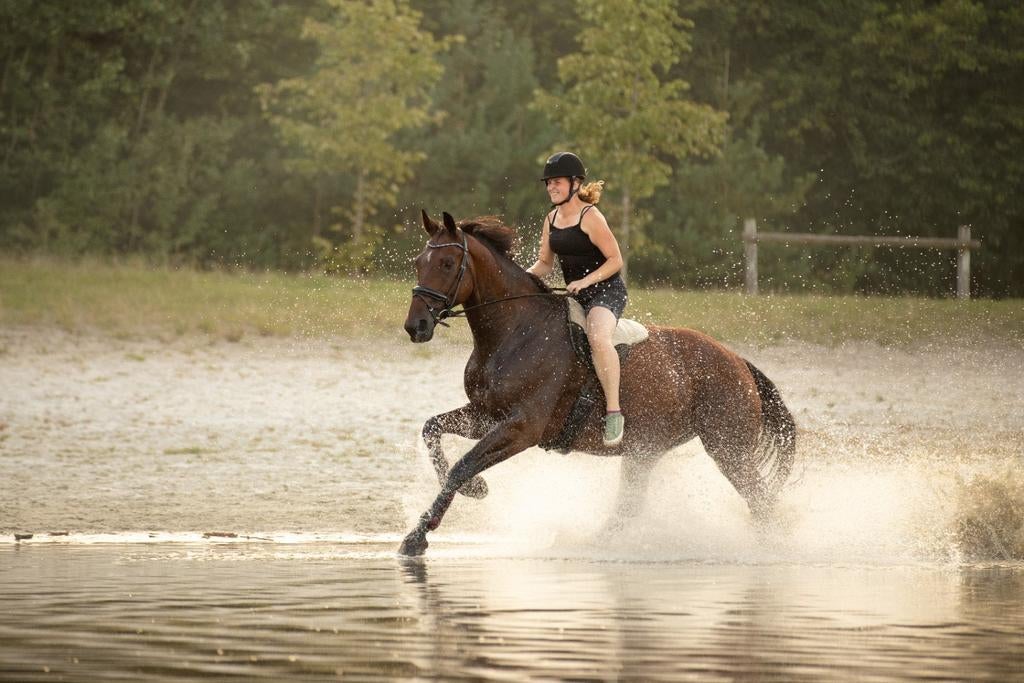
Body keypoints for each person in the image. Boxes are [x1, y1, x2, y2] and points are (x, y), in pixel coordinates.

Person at [527, 151, 628, 447]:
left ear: (574, 183)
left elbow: (615, 260)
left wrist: (585, 281)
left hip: (605, 292)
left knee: (597, 337)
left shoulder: (591, 216)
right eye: (548, 183)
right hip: (575, 293)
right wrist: (522, 277)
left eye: (556, 182)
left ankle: (613, 412)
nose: (551, 188)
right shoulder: (551, 218)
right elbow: (545, 264)